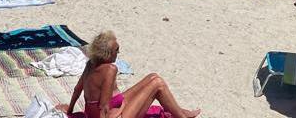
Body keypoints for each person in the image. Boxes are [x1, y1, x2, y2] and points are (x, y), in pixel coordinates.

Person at [58, 31, 200, 118]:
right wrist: (118, 110)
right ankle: (181, 116)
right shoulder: (110, 70)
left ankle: (180, 112)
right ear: (107, 54)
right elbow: (104, 106)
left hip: (92, 113)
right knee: (158, 84)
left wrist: (70, 110)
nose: (118, 53)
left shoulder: (90, 64)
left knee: (153, 77)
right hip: (108, 115)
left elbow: (77, 89)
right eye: (116, 50)